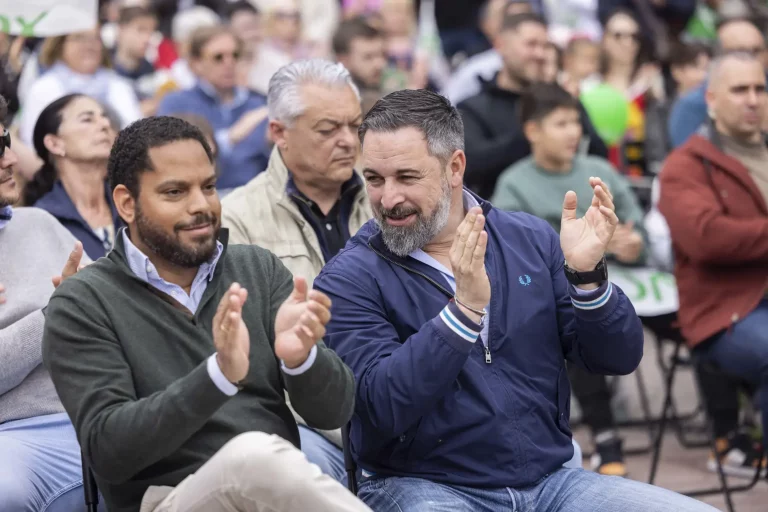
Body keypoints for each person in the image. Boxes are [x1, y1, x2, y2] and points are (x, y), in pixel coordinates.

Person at [313, 88, 717, 511]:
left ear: (455, 167)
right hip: (422, 487)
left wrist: (588, 279)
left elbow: (618, 358)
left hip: (551, 484)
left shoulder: (528, 238)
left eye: (406, 177)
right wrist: (462, 314)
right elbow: (380, 407)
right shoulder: (348, 277)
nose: (387, 198)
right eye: (374, 179)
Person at [42, 115, 369, 512]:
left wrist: (302, 360)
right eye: (175, 192)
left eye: (209, 187)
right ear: (127, 203)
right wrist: (217, 377)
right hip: (168, 501)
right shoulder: (83, 301)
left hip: (272, 494)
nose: (201, 206)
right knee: (251, 458)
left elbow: (334, 411)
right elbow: (109, 451)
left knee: (259, 460)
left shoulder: (257, 270)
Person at [222, 59, 372, 483]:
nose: (347, 141)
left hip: (395, 397)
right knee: (301, 474)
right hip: (303, 420)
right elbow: (252, 359)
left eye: (354, 126)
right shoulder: (238, 219)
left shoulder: (388, 197)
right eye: (328, 130)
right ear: (278, 133)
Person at [492, 83, 647, 476]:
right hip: (566, 285)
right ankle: (605, 433)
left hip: (635, 283)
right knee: (572, 320)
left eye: (576, 122)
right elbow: (519, 255)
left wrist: (633, 242)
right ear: (532, 131)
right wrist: (595, 253)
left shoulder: (601, 170)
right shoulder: (513, 183)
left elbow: (635, 222)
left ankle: (728, 426)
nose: (573, 132)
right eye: (560, 123)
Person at [659, 51, 768, 474]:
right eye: (740, 89)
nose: (753, 99)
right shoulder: (684, 166)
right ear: (711, 98)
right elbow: (705, 238)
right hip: (725, 313)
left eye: (760, 88)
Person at [0, 94, 101, 512]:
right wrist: (56, 313)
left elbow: (110, 315)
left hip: (101, 411)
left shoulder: (39, 222)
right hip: (15, 435)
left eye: (6, 144)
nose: (10, 161)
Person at [458, 12, 607, 200]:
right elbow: (471, 165)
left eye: (545, 46)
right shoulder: (473, 108)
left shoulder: (560, 100)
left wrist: (570, 106)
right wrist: (535, 135)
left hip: (568, 209)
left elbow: (598, 153)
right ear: (501, 46)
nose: (540, 54)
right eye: (531, 44)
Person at [157, 25, 270, 192]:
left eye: (235, 55)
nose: (229, 63)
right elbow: (170, 160)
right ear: (196, 64)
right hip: (201, 199)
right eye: (218, 57)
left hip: (256, 199)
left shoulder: (258, 104)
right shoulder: (176, 104)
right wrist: (230, 137)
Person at [23, 94, 121, 260]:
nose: (105, 124)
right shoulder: (43, 219)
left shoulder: (129, 202)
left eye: (104, 117)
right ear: (54, 144)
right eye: (87, 120)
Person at [18, 26, 142, 147]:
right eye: (79, 38)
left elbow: (136, 137)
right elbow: (33, 144)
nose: (89, 45)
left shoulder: (119, 86)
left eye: (95, 38)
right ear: (60, 44)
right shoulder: (43, 88)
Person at [669, 17, 767, 148]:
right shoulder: (693, 104)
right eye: (739, 51)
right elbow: (688, 156)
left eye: (756, 51)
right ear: (719, 55)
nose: (748, 58)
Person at [441, 0, 535, 106]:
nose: (524, 25)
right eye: (512, 20)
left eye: (528, 17)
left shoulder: (549, 56)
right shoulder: (475, 70)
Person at [645, 42, 710, 174]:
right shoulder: (660, 110)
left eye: (707, 69)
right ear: (677, 71)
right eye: (695, 67)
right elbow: (656, 154)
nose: (703, 76)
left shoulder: (715, 110)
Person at [112, 5, 161, 116]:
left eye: (151, 32)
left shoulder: (153, 72)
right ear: (121, 30)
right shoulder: (103, 70)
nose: (147, 38)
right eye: (141, 30)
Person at [333, 17, 387, 115]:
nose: (380, 64)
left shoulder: (392, 87)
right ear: (343, 61)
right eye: (368, 57)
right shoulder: (333, 105)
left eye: (382, 54)